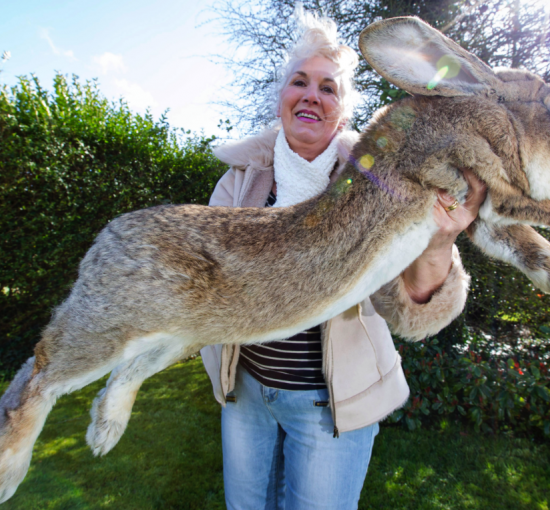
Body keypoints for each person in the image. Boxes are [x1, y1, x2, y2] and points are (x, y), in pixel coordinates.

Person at [200, 8, 487, 510]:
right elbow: (204, 279)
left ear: (343, 112)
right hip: (246, 396)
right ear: (282, 99)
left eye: (328, 88)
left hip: (331, 407)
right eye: (300, 82)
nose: (311, 94)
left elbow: (415, 305)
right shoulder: (239, 182)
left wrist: (440, 243)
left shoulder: (382, 183)